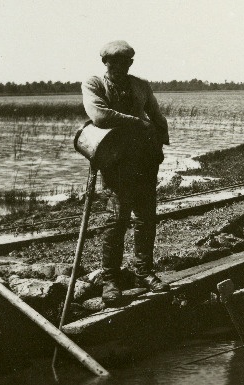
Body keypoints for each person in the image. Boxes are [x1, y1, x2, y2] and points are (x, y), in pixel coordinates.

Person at [81, 40, 171, 306]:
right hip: (115, 162)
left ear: (131, 63)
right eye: (115, 62)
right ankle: (110, 279)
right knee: (116, 220)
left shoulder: (140, 85)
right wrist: (138, 122)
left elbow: (157, 116)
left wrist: (159, 142)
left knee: (146, 218)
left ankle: (144, 272)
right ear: (105, 62)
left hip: (144, 160)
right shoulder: (94, 84)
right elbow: (100, 116)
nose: (121, 67)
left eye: (126, 62)